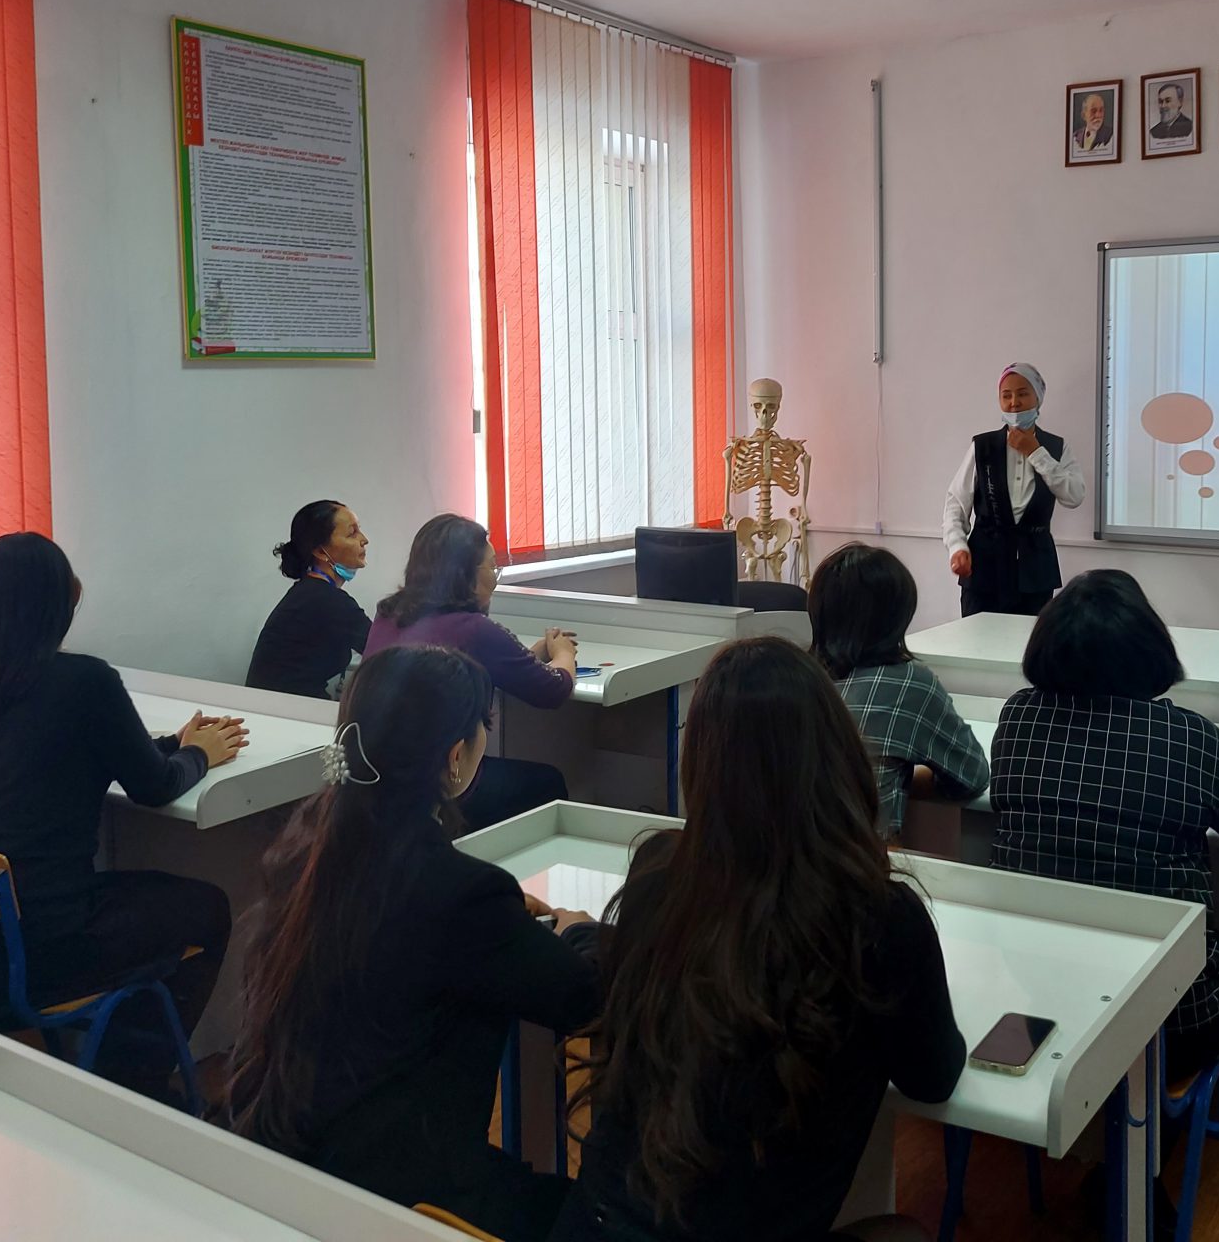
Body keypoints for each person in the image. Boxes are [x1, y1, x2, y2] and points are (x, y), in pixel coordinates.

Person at [553, 637, 964, 1242]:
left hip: (593, 1227)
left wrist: (583, 934)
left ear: (702, 763)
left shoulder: (660, 877)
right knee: (905, 1233)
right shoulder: (880, 919)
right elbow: (934, 1077)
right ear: (838, 757)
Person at [230, 646, 601, 1242]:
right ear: (455, 758)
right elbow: (581, 995)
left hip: (283, 1163)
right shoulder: (461, 893)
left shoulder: (303, 849)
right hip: (401, 1203)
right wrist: (579, 930)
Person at [0, 533, 246, 1083]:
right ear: (62, 600)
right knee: (209, 907)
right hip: (56, 939)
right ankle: (132, 1081)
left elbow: (67, 756)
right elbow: (154, 787)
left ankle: (115, 1065)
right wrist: (201, 754)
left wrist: (173, 744)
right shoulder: (86, 681)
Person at [990, 571, 1219, 1082]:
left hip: (1044, 994)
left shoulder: (1018, 717)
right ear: (1149, 649)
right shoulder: (1190, 738)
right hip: (1170, 1017)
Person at [364, 514, 574, 828]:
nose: (496, 578)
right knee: (548, 782)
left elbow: (457, 668)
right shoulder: (474, 629)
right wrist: (563, 654)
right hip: (442, 781)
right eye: (492, 567)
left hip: (379, 774)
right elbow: (552, 689)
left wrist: (529, 655)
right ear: (466, 575)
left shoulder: (388, 615)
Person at [809, 543, 988, 838]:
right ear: (895, 617)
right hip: (865, 860)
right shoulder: (909, 683)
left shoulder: (794, 675)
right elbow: (973, 776)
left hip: (782, 859)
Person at [941, 363, 1085, 617]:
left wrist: (1036, 452)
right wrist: (957, 546)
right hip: (984, 567)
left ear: (1038, 398)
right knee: (976, 637)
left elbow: (1074, 496)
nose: (1014, 403)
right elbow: (956, 503)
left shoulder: (1056, 447)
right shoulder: (982, 446)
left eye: (1022, 394)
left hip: (1036, 570)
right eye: (1006, 396)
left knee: (1030, 639)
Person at [246, 500, 372, 699]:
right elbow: (388, 651)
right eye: (351, 533)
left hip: (274, 704)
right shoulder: (327, 601)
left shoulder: (309, 592)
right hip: (288, 709)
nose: (364, 540)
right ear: (320, 551)